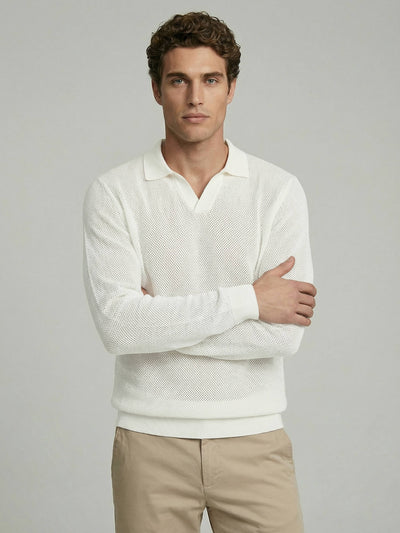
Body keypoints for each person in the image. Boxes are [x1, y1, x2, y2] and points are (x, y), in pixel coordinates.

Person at [82, 11, 317, 533]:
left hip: (254, 441)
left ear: (231, 89)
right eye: (178, 80)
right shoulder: (114, 193)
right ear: (156, 89)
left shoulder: (278, 191)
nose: (195, 97)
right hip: (149, 445)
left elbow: (282, 335)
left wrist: (157, 322)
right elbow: (119, 328)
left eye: (210, 80)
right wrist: (249, 301)